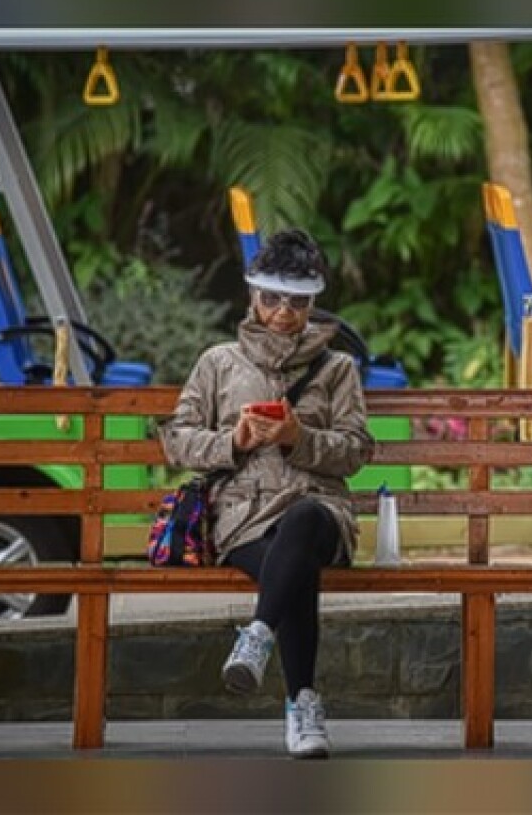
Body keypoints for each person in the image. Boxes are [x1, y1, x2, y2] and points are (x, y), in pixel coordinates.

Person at [160, 228, 374, 759]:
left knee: (303, 523)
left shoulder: (337, 368)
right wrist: (232, 441)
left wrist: (300, 439)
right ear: (253, 296)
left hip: (319, 511)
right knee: (294, 570)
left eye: (297, 302)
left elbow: (356, 450)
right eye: (273, 299)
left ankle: (257, 634)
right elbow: (176, 440)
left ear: (312, 304)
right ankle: (303, 704)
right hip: (245, 520)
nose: (283, 312)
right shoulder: (218, 362)